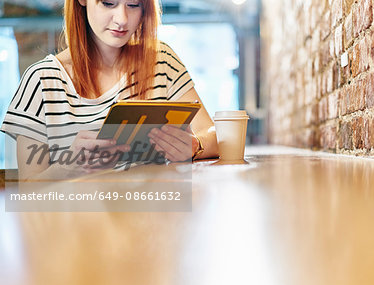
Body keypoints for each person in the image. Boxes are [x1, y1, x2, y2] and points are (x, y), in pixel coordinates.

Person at [0, 0, 218, 180]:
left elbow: (214, 136)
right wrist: (70, 166)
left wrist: (194, 146)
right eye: (108, 3)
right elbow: (27, 189)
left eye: (133, 5)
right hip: (76, 228)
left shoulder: (160, 60)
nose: (122, 19)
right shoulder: (42, 80)